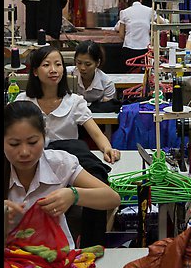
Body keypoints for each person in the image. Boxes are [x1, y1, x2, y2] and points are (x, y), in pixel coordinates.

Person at [15, 45, 121, 247]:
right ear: (35, 71)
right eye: (46, 65)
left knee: (98, 183)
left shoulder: (74, 102)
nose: (53, 70)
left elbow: (96, 132)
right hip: (34, 163)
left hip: (67, 162)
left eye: (58, 64)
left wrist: (107, 148)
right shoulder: (24, 101)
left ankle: (91, 245)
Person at [4, 101, 121, 248]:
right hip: (11, 259)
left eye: (33, 142)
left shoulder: (59, 164)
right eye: (14, 144)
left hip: (57, 256)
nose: (25, 152)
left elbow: (112, 198)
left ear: (44, 137)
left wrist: (73, 195)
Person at [118, 0, 167, 72]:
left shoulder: (124, 12)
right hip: (145, 49)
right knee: (145, 75)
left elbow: (121, 34)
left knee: (129, 75)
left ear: (127, 1)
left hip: (129, 48)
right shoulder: (149, 11)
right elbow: (163, 23)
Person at [66, 40, 118, 112]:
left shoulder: (107, 83)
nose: (82, 68)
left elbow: (107, 108)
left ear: (97, 63)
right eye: (79, 62)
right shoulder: (66, 74)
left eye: (88, 64)